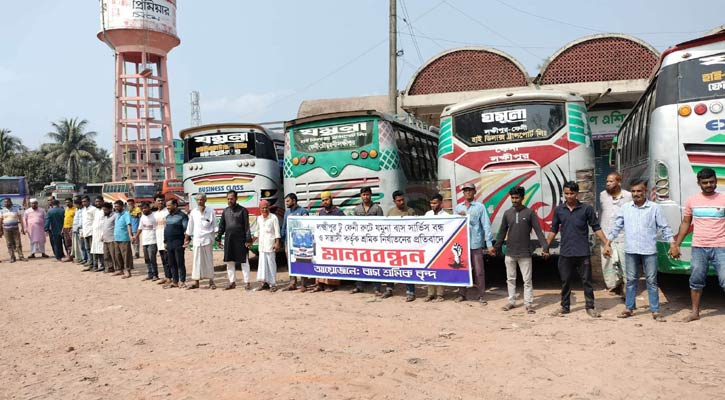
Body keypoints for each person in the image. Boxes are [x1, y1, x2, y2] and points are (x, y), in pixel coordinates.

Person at [604, 179, 675, 321]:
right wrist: (608, 243)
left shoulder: (654, 208)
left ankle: (655, 310)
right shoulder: (625, 208)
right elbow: (617, 226)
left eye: (639, 191)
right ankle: (629, 308)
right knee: (630, 280)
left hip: (649, 250)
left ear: (645, 192)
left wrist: (672, 243)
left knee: (652, 281)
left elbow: (664, 227)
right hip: (630, 250)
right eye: (634, 191)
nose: (636, 194)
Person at [546, 181, 609, 318]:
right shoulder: (559, 210)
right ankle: (565, 306)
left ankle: (590, 307)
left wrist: (606, 243)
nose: (569, 196)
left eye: (572, 193)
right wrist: (546, 246)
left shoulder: (586, 209)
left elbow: (596, 227)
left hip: (582, 252)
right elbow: (553, 229)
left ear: (577, 193)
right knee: (565, 280)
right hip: (565, 252)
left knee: (586, 281)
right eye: (566, 193)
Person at [671, 167, 725, 322]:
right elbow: (685, 223)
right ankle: (695, 312)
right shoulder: (692, 200)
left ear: (716, 181)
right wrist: (677, 244)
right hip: (699, 247)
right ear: (699, 183)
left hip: (721, 246)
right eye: (705, 182)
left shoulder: (723, 199)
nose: (709, 185)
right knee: (696, 279)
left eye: (712, 182)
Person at [495, 186, 549, 314]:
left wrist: (545, 247)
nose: (514, 200)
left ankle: (528, 304)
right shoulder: (507, 213)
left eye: (516, 198)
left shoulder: (529, 213)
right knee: (510, 279)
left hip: (525, 252)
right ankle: (511, 301)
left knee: (527, 280)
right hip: (510, 252)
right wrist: (496, 248)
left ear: (522, 198)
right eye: (512, 198)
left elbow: (538, 231)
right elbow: (502, 232)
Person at [454, 183, 495, 304]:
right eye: (465, 191)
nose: (467, 193)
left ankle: (481, 295)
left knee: (479, 271)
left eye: (470, 190)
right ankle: (462, 293)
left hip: (475, 243)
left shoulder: (480, 207)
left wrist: (489, 243)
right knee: (461, 269)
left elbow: (486, 225)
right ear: (463, 193)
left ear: (474, 192)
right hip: (462, 244)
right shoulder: (458, 208)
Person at [599, 172, 632, 296]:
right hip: (606, 235)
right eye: (607, 181)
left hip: (623, 235)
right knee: (607, 262)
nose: (608, 183)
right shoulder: (602, 195)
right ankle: (613, 286)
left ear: (619, 182)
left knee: (624, 262)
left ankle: (627, 287)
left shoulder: (628, 196)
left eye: (611, 181)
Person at [216, 190, 253, 291]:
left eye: (231, 199)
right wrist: (218, 237)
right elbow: (222, 226)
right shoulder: (225, 211)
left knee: (244, 261)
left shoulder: (243, 210)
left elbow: (247, 227)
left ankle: (247, 282)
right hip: (229, 240)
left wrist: (248, 239)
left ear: (236, 198)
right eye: (228, 199)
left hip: (241, 240)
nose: (229, 200)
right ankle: (232, 282)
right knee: (229, 262)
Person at [384, 190, 417, 301]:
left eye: (403, 200)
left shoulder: (410, 211)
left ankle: (410, 291)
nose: (402, 202)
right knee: (390, 266)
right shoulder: (390, 213)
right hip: (393, 245)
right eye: (399, 200)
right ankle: (389, 289)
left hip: (407, 246)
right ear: (394, 201)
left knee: (408, 268)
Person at [350, 187, 383, 294]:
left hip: (373, 241)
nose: (365, 197)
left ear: (371, 195)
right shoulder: (356, 209)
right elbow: (354, 225)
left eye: (367, 194)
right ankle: (359, 286)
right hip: (360, 241)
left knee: (375, 264)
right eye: (364, 194)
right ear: (361, 196)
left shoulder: (377, 208)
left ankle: (376, 287)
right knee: (358, 263)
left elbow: (381, 226)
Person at [185, 193, 217, 290]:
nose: (200, 201)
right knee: (196, 261)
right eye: (198, 200)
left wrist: (218, 237)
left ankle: (211, 281)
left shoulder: (210, 211)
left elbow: (215, 226)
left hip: (207, 240)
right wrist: (187, 237)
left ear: (205, 200)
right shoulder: (193, 212)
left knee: (209, 261)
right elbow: (190, 227)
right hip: (197, 240)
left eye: (201, 199)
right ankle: (196, 282)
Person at [315, 191, 344, 292]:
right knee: (321, 263)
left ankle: (332, 285)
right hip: (324, 243)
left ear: (331, 199)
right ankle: (320, 284)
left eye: (327, 199)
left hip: (334, 243)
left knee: (332, 264)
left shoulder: (338, 212)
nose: (325, 202)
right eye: (323, 200)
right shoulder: (321, 212)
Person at [281, 193, 310, 291]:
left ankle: (303, 284)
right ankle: (292, 283)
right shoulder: (287, 212)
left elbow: (307, 227)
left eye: (288, 201)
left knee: (302, 262)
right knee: (291, 263)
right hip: (288, 243)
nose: (286, 203)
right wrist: (282, 239)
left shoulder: (303, 211)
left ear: (294, 201)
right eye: (286, 201)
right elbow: (284, 226)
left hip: (301, 243)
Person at [423, 194, 448, 302]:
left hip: (441, 248)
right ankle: (430, 293)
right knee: (429, 270)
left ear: (441, 203)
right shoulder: (427, 214)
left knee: (440, 271)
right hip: (429, 247)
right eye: (431, 203)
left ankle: (440, 294)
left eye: (435, 203)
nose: (432, 205)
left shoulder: (447, 216)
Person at [253, 200, 281, 291]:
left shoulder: (273, 218)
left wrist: (277, 243)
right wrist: (251, 242)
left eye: (266, 207)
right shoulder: (259, 219)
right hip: (262, 246)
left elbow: (277, 232)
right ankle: (264, 283)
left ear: (269, 207)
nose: (264, 209)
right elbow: (257, 233)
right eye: (262, 208)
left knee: (271, 265)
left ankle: (273, 284)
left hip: (270, 245)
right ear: (260, 209)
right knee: (262, 265)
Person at [164, 199, 188, 289]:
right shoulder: (168, 217)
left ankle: (182, 281)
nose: (167, 207)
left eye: (169, 205)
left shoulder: (182, 216)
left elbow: (186, 230)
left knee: (180, 263)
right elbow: (166, 230)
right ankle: (175, 281)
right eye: (167, 206)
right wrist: (165, 242)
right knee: (171, 263)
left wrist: (186, 241)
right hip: (169, 243)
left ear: (175, 205)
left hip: (178, 242)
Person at [133, 201, 158, 281]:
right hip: (145, 241)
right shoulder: (143, 217)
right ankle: (149, 274)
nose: (143, 210)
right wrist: (135, 237)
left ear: (149, 207)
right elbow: (140, 228)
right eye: (142, 209)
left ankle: (155, 275)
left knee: (152, 258)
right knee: (147, 259)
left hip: (153, 240)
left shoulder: (155, 215)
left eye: (145, 208)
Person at [153, 194, 172, 285]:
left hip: (167, 240)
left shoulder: (167, 212)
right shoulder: (155, 214)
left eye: (162, 200)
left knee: (169, 259)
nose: (160, 202)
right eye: (158, 201)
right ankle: (167, 276)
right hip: (158, 240)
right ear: (155, 202)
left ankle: (171, 277)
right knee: (163, 260)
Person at [112, 200, 133, 278]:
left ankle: (127, 270)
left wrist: (130, 235)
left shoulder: (126, 214)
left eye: (117, 206)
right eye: (115, 206)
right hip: (116, 237)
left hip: (124, 238)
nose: (116, 208)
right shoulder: (117, 214)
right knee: (117, 255)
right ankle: (120, 270)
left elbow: (129, 225)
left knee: (126, 255)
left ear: (122, 206)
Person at [0, 198, 26, 262]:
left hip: (15, 228)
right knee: (9, 243)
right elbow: (0, 221)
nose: (6, 203)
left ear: (10, 202)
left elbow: (20, 219)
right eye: (5, 202)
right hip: (6, 229)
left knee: (18, 243)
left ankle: (21, 256)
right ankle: (12, 257)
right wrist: (0, 230)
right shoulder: (2, 210)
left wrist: (22, 228)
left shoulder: (16, 209)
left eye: (7, 202)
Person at [89, 196, 107, 272]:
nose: (98, 203)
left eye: (99, 201)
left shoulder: (105, 211)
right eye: (96, 202)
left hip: (102, 233)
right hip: (95, 233)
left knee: (103, 250)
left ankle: (104, 265)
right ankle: (99, 265)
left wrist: (104, 234)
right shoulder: (95, 211)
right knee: (96, 250)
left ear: (103, 201)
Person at [80, 196, 97, 271]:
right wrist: (82, 232)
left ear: (89, 201)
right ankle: (90, 264)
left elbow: (96, 221)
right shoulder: (83, 210)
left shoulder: (93, 209)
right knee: (88, 249)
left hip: (92, 232)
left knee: (93, 249)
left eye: (85, 201)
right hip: (85, 232)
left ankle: (95, 265)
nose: (83, 203)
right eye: (82, 202)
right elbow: (84, 222)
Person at [100, 202, 117, 273]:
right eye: (103, 210)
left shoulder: (115, 216)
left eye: (106, 210)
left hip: (112, 239)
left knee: (114, 255)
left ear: (110, 209)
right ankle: (110, 267)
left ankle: (117, 268)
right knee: (106, 255)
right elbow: (104, 227)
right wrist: (102, 236)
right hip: (105, 239)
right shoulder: (105, 217)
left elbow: (116, 228)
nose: (104, 211)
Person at [71, 197, 87, 265]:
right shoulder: (77, 210)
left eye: (76, 205)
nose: (75, 206)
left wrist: (78, 227)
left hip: (81, 230)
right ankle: (82, 258)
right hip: (76, 230)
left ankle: (85, 258)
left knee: (83, 245)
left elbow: (81, 221)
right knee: (80, 245)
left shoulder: (83, 210)